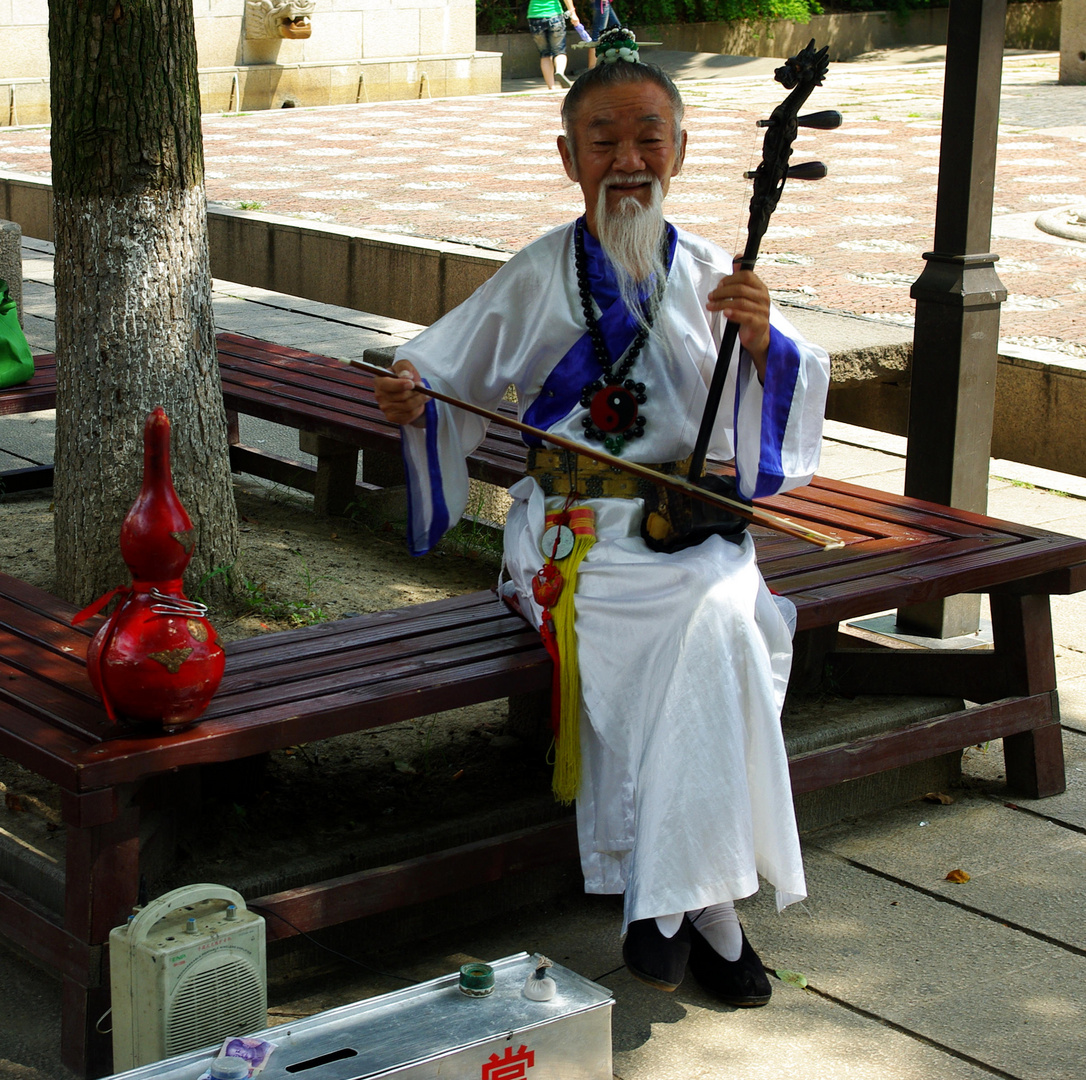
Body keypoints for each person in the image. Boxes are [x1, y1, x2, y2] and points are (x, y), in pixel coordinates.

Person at [375, 29, 830, 1005]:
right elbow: (442, 367)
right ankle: (709, 917)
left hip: (685, 526)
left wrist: (761, 340)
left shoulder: (715, 267)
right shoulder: (540, 270)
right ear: (568, 157)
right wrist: (413, 391)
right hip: (571, 537)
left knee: (725, 627)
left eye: (648, 138)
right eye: (603, 141)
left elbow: (789, 393)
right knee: (710, 638)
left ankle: (662, 906)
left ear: (681, 147)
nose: (627, 162)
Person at [527, 0, 582, 90]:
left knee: (544, 54)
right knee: (559, 51)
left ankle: (551, 87)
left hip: (534, 16)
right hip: (554, 15)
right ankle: (559, 71)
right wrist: (572, 13)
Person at [586, 0, 621, 68]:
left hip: (603, 3)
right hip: (601, 3)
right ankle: (592, 69)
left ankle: (617, 65)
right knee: (597, 37)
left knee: (618, 30)